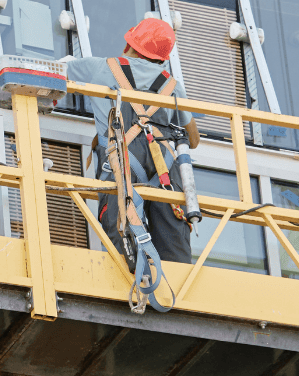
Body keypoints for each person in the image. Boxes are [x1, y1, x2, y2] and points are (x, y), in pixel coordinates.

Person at [66, 17, 200, 265]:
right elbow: (193, 140)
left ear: (131, 45)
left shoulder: (103, 68)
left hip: (121, 164)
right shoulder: (172, 86)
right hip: (164, 172)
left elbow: (56, 70)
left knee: (123, 241)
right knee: (173, 251)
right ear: (162, 58)